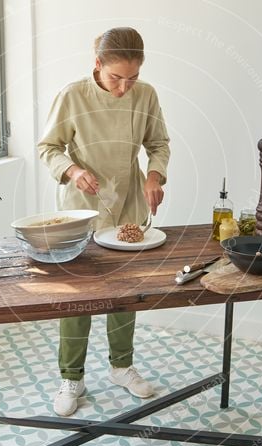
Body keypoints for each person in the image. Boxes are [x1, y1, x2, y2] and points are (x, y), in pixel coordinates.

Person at [37, 27, 170, 416]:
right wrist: (73, 171)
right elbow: (48, 147)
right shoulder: (72, 95)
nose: (124, 87)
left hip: (128, 205)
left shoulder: (145, 95)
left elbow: (159, 143)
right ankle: (72, 377)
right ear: (97, 64)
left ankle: (121, 367)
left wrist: (153, 176)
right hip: (82, 208)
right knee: (77, 297)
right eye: (116, 78)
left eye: (133, 78)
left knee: (125, 294)